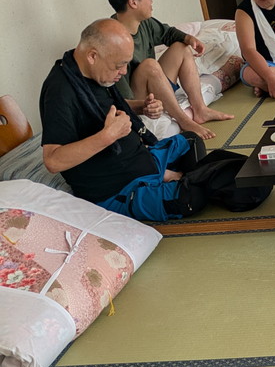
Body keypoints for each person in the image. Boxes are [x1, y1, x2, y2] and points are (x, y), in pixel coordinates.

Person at [39, 19, 261, 222]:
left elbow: (106, 108)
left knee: (190, 141)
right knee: (195, 197)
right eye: (118, 65)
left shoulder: (89, 72)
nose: (123, 72)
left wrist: (141, 106)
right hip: (119, 188)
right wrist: (107, 136)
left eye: (126, 64)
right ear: (92, 55)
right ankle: (183, 181)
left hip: (140, 160)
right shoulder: (60, 92)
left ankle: (178, 177)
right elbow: (53, 160)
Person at [106, 0, 234, 141]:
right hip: (138, 99)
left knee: (181, 47)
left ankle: (200, 109)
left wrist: (189, 39)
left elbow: (168, 34)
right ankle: (184, 121)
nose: (151, 1)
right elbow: (121, 99)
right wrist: (146, 105)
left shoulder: (145, 23)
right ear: (133, 2)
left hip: (153, 86)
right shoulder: (114, 39)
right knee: (149, 65)